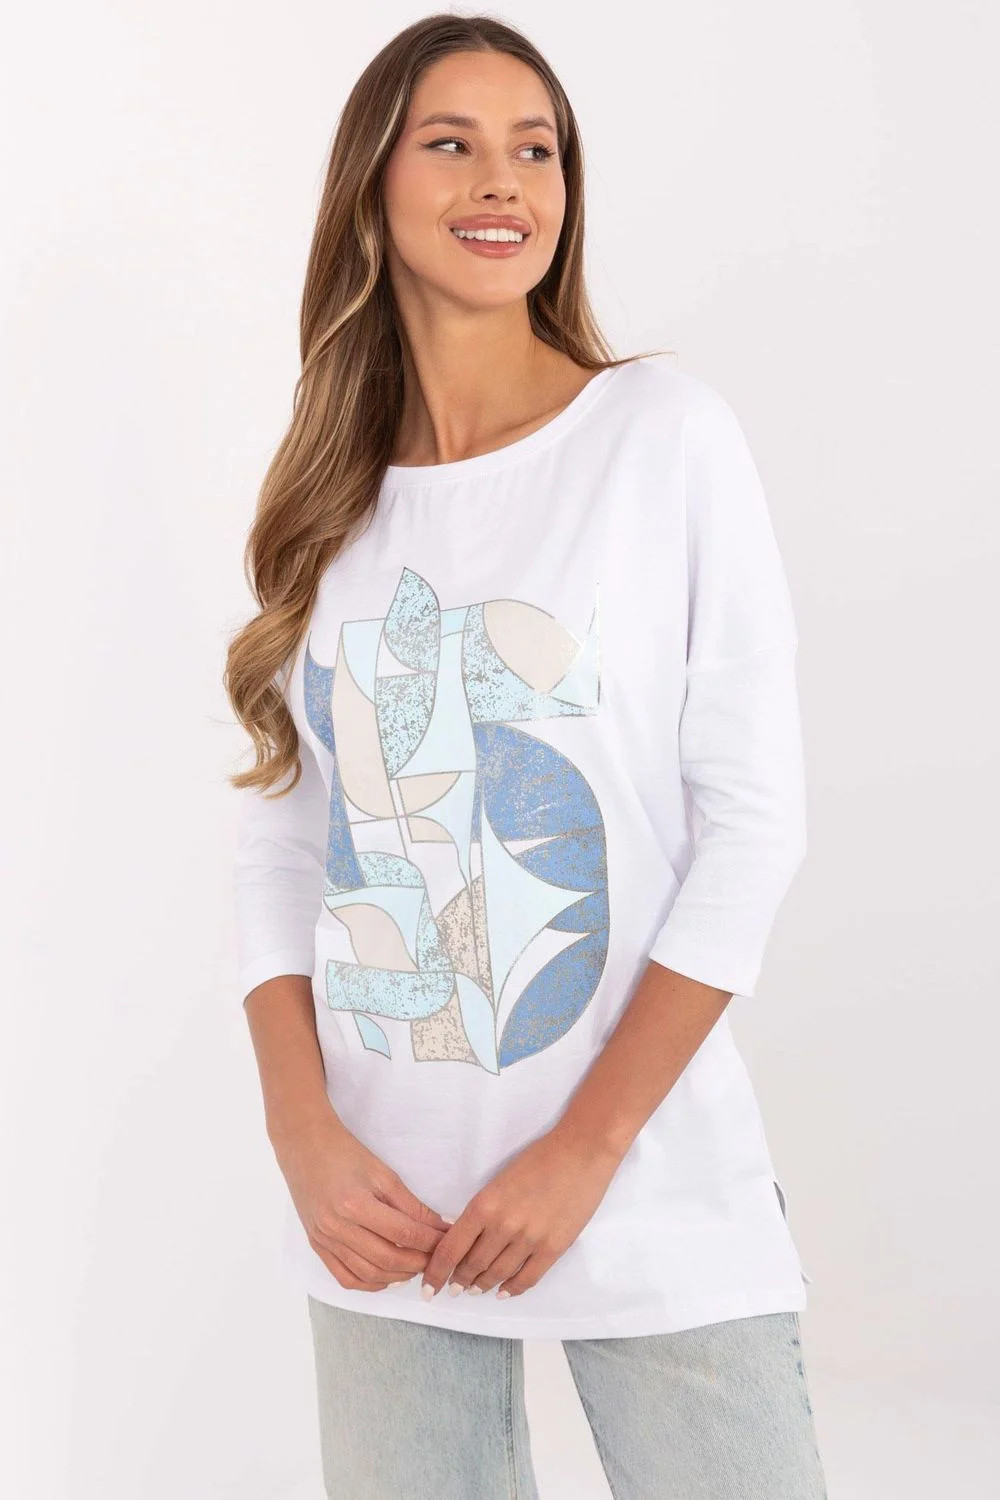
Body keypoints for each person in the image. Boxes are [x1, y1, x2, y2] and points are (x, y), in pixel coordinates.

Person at [225, 13, 829, 1498]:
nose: (504, 181)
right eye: (452, 143)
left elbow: (754, 824)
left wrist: (585, 1151)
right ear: (372, 185)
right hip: (380, 1205)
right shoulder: (328, 495)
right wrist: (302, 1132)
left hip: (642, 1174)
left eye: (536, 148)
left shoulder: (660, 438)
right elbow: (287, 833)